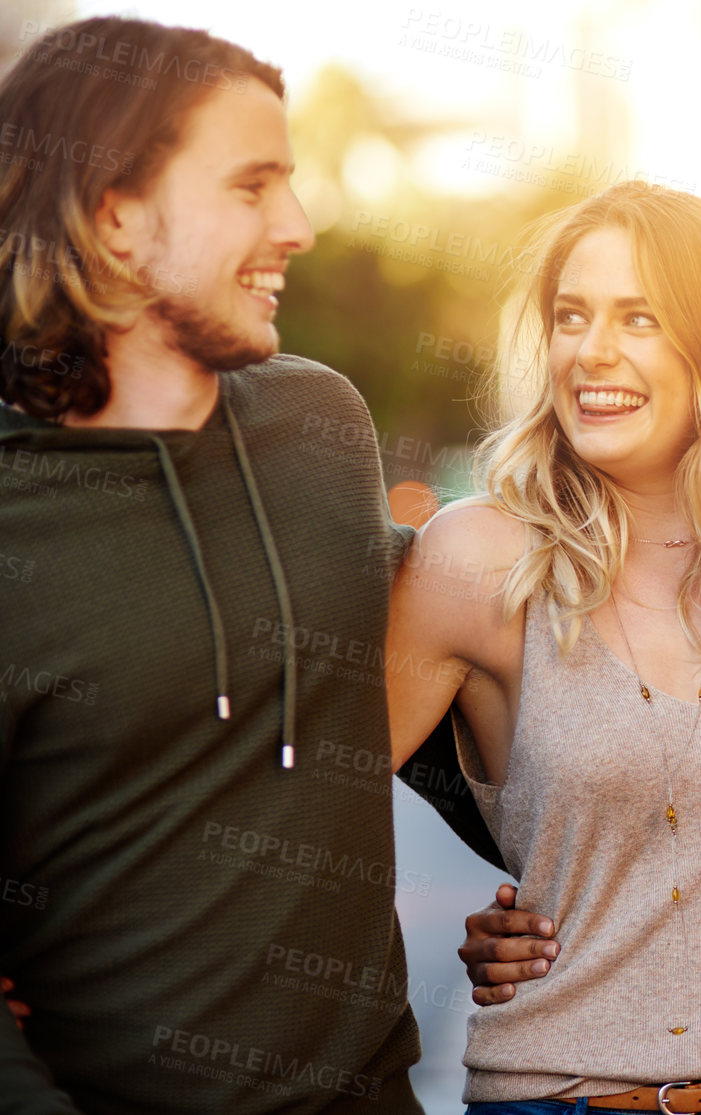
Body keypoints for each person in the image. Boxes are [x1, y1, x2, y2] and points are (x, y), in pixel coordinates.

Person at [384, 181, 701, 1114]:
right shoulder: (478, 558)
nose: (591, 350)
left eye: (639, 318)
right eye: (571, 317)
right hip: (563, 1094)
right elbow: (306, 803)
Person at [0, 17, 429, 1112]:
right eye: (253, 186)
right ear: (117, 215)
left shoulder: (321, 422)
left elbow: (424, 675)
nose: (300, 225)